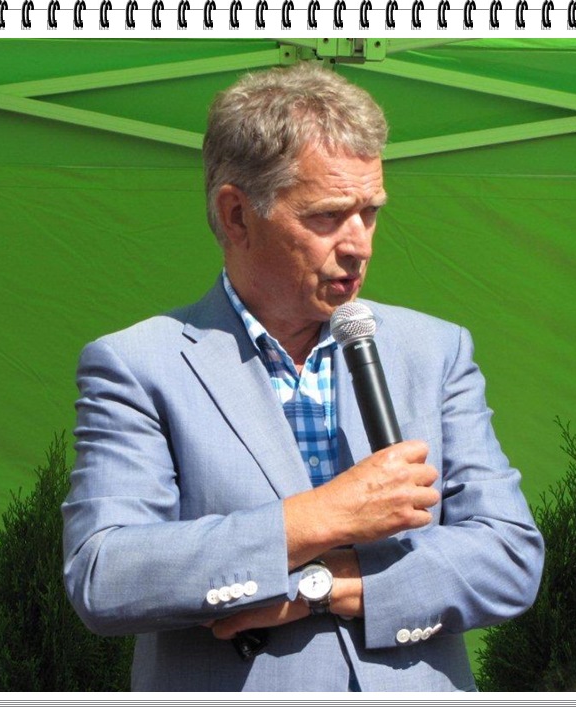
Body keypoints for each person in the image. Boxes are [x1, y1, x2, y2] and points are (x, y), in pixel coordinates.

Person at [62, 61, 544, 692]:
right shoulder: (140, 364)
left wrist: (323, 587)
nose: (359, 244)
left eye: (370, 212)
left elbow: (509, 556)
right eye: (327, 216)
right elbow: (106, 574)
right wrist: (324, 515)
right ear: (236, 215)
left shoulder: (434, 350)